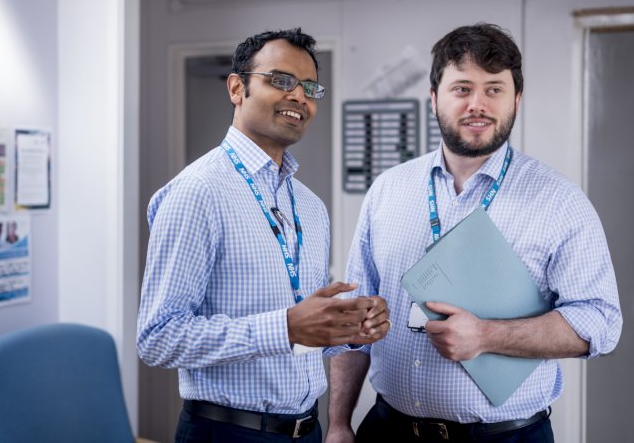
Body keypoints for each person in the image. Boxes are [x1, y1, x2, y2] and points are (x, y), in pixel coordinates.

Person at [326, 23, 622, 443]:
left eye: (494, 89)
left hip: (503, 436)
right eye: (462, 88)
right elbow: (352, 318)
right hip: (387, 428)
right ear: (434, 98)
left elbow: (601, 323)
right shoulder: (387, 190)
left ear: (516, 100)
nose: (477, 104)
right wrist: (339, 423)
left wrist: (487, 335)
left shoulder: (559, 202)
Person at [137, 27, 390, 443]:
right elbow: (157, 338)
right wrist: (286, 327)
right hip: (228, 432)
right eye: (281, 81)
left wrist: (345, 330)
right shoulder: (197, 192)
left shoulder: (309, 204)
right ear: (237, 88)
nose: (299, 96)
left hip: (306, 429)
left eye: (309, 87)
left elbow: (303, 332)